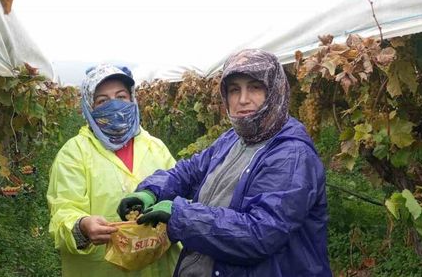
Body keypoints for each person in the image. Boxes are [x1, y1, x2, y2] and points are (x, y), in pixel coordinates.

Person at [118, 49, 331, 277]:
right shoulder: (234, 139)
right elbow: (190, 171)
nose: (243, 99)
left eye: (255, 87)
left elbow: (259, 234)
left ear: (275, 91)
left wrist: (180, 215)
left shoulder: (291, 155)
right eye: (234, 90)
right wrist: (151, 192)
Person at [47, 64, 180, 277]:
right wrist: (82, 226)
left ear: (132, 99)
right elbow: (63, 211)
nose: (115, 106)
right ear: (89, 107)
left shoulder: (155, 147)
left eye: (121, 96)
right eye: (102, 101)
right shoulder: (74, 153)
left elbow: (181, 190)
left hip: (159, 268)